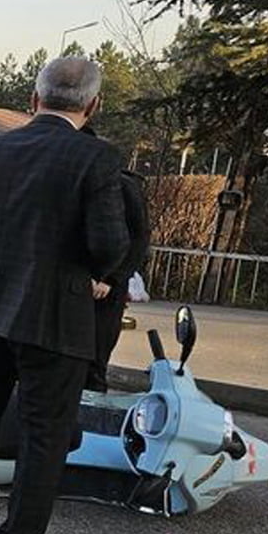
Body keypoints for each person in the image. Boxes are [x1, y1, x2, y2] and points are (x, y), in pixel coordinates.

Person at [0, 57, 129, 534]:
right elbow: (109, 245)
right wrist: (95, 272)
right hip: (52, 316)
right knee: (44, 435)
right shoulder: (97, 159)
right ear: (93, 105)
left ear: (33, 99)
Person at [81, 125, 150, 393]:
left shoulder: (123, 186)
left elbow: (138, 239)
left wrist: (109, 278)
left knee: (95, 360)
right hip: (73, 283)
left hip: (107, 288)